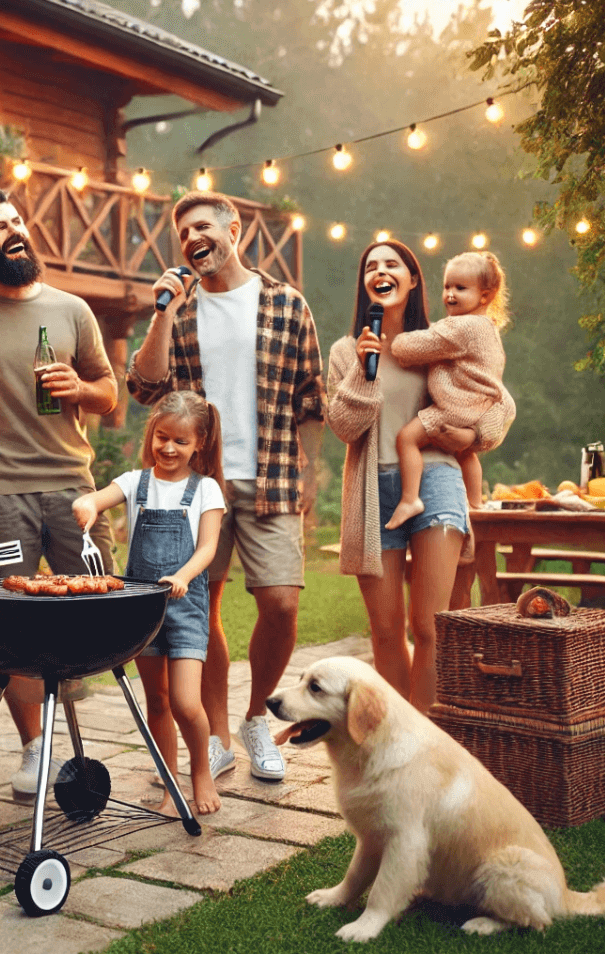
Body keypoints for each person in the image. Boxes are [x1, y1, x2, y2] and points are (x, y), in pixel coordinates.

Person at [126, 191, 324, 783]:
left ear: (234, 228)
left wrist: (310, 470)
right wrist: (162, 311)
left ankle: (256, 717)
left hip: (273, 475)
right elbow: (145, 386)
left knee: (282, 603)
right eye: (182, 232)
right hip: (198, 484)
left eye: (202, 226)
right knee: (198, 609)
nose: (191, 239)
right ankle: (215, 734)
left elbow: (311, 395)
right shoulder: (179, 313)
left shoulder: (286, 303)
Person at [0, 189, 119, 795]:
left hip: (74, 485)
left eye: (17, 221)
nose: (15, 232)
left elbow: (109, 391)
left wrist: (81, 389)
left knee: (99, 608)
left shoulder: (71, 310)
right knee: (13, 622)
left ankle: (81, 729)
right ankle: (35, 748)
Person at [326, 241, 515, 714]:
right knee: (386, 630)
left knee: (429, 625)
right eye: (371, 266)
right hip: (374, 494)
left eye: (392, 264)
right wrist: (363, 374)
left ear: (412, 280)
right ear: (365, 283)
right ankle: (397, 734)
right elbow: (345, 428)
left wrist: (470, 433)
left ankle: (429, 739)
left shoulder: (439, 340)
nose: (380, 271)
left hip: (436, 480)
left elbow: (498, 401)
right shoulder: (347, 351)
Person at [73, 391, 226, 815]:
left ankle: (201, 772)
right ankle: (169, 784)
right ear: (152, 435)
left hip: (185, 605)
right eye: (162, 437)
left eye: (180, 441)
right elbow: (96, 498)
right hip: (142, 607)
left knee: (185, 702)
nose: (169, 448)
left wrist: (182, 575)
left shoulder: (206, 490)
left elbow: (209, 547)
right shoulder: (134, 482)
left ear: (199, 445)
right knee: (156, 701)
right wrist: (85, 506)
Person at [385, 251, 514, 530]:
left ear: (485, 296)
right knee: (466, 454)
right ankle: (475, 505)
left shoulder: (462, 326)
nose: (450, 294)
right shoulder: (486, 327)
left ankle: (409, 499)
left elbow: (416, 346)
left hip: (455, 408)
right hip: (479, 409)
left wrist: (395, 342)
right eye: (447, 286)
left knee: (407, 439)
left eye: (460, 288)